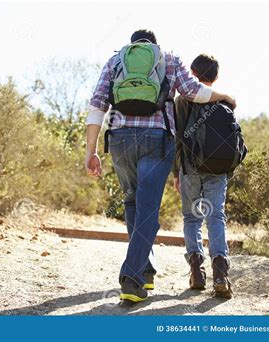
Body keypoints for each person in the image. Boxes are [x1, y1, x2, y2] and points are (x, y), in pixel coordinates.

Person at [85, 29, 236, 303]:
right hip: (156, 141)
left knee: (132, 204)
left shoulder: (116, 61)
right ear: (153, 46)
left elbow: (97, 106)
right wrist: (225, 96)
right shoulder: (168, 59)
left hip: (119, 141)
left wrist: (91, 150)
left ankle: (146, 271)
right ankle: (132, 279)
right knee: (147, 211)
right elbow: (193, 92)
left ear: (133, 47)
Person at [172, 54, 233, 298]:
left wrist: (176, 172)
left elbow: (176, 138)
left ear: (193, 75)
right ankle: (220, 273)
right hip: (218, 169)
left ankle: (197, 272)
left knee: (192, 218)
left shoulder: (182, 101)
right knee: (216, 216)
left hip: (190, 167)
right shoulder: (225, 101)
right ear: (216, 76)